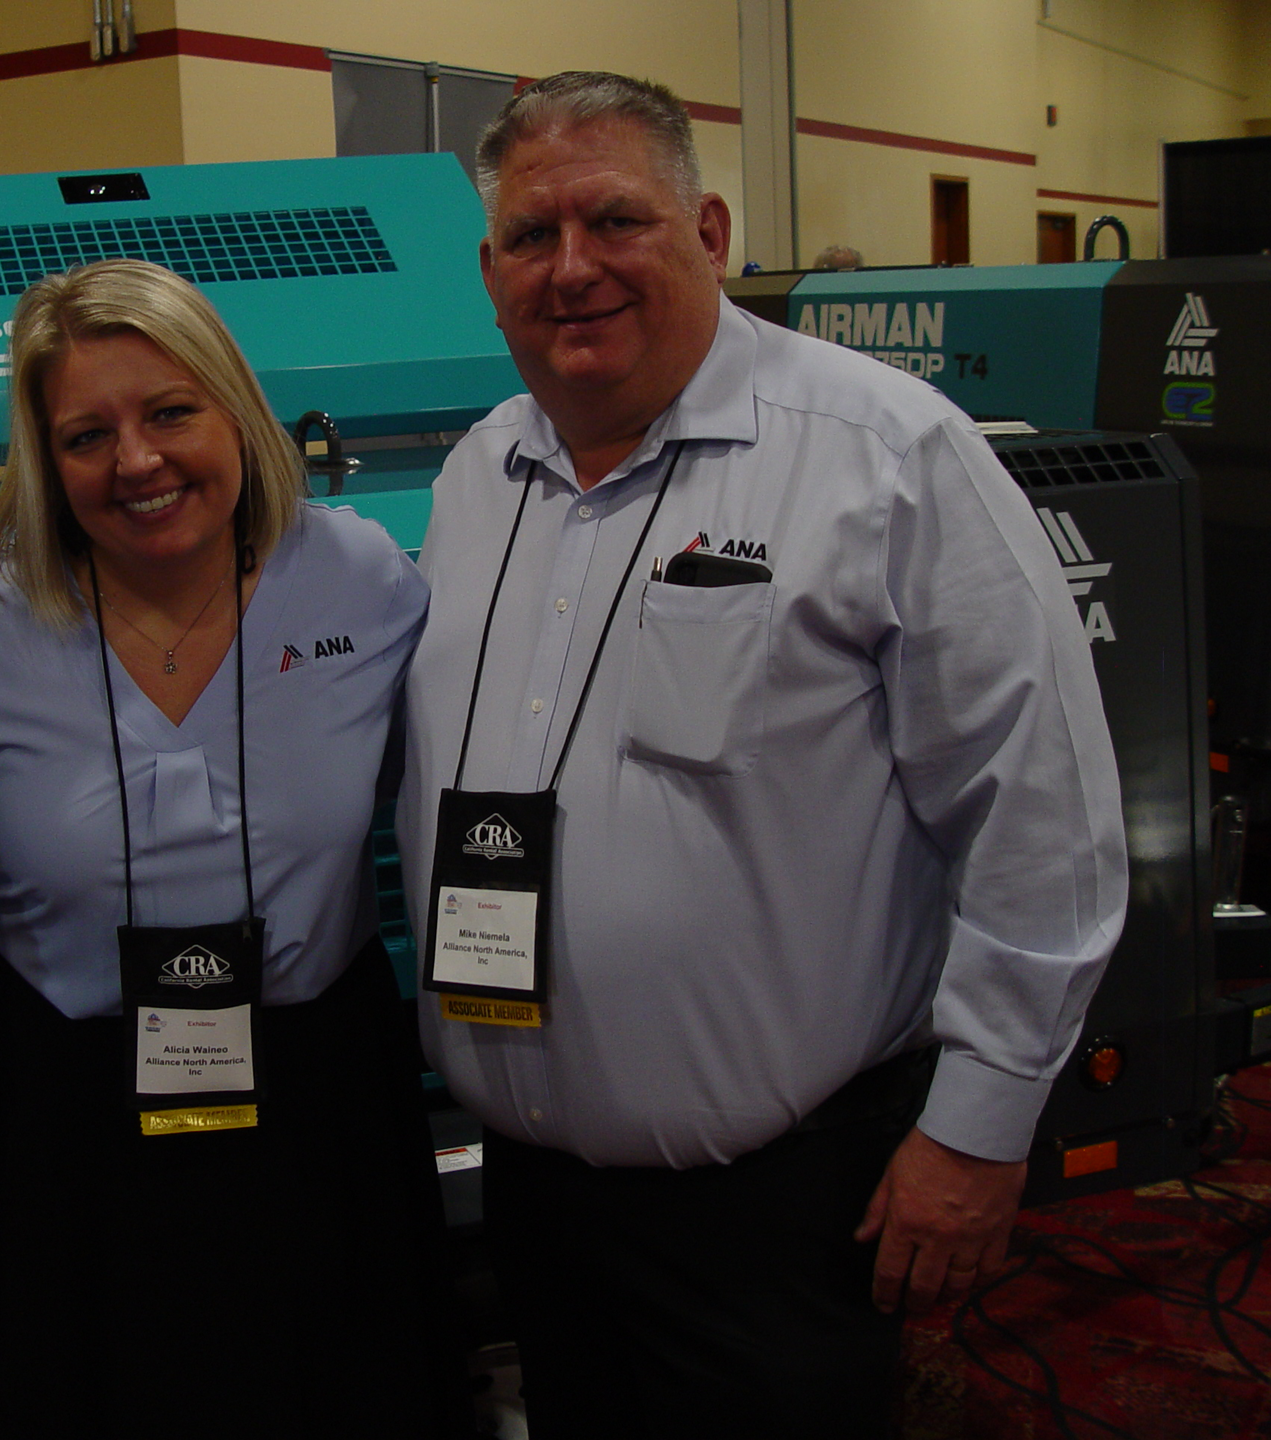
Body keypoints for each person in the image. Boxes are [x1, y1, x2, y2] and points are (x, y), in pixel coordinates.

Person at [397, 72, 1125, 1438]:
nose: (572, 270)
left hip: (778, 1212)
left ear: (711, 233)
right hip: (540, 1200)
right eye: (529, 238)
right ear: (487, 269)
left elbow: (1045, 817)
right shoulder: (477, 474)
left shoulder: (885, 455)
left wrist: (980, 1122)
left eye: (615, 220)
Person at [0, 258, 460, 1438]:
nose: (137, 461)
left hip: (319, 1110)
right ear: (44, 461)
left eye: (171, 412)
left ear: (238, 412)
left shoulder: (360, 579)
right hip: (63, 1127)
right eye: (86, 435)